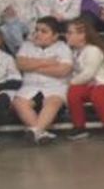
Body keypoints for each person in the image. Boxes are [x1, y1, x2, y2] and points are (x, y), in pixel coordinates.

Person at [11, 16, 73, 144]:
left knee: (53, 102)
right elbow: (20, 64)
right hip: (30, 87)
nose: (38, 34)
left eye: (44, 31)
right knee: (19, 102)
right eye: (37, 30)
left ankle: (35, 131)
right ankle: (40, 132)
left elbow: (63, 71)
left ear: (55, 36)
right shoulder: (27, 45)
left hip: (55, 87)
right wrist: (47, 62)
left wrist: (33, 67)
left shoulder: (62, 47)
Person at [65, 16, 104, 141]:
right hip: (92, 86)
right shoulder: (76, 51)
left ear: (82, 35)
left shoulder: (93, 50)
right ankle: (79, 127)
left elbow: (88, 74)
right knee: (74, 92)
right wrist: (71, 85)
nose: (67, 35)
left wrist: (69, 83)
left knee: (97, 93)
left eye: (70, 33)